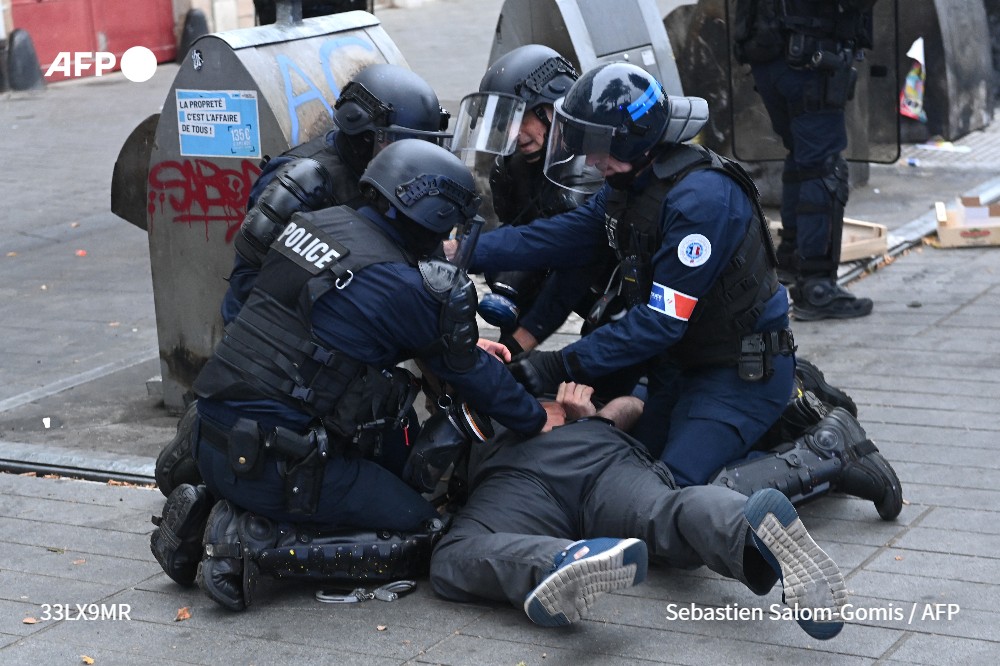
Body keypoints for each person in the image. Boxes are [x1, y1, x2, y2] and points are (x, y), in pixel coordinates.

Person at [445, 62, 900, 519]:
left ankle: (830, 451)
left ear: (630, 139)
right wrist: (458, 250)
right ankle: (769, 425)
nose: (590, 158)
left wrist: (557, 364)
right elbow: (555, 238)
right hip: (680, 366)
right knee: (630, 468)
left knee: (673, 499)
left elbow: (659, 322)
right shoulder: (629, 182)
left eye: (598, 145)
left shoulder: (701, 202)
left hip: (738, 373)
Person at [150, 140, 548, 611]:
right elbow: (472, 374)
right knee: (421, 528)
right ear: (432, 214)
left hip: (215, 432)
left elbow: (335, 324)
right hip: (271, 465)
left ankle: (210, 504)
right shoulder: (405, 286)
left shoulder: (317, 225)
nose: (450, 238)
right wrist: (537, 419)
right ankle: (245, 537)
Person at [153, 63, 453, 497]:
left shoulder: (391, 180)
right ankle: (217, 451)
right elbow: (254, 290)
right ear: (363, 133)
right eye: (397, 144)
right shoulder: (303, 184)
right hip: (286, 347)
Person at [431, 382, 849, 640]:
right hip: (577, 460)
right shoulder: (525, 381)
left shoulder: (519, 387)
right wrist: (598, 419)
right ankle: (746, 526)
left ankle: (562, 561)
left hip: (531, 474)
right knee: (667, 511)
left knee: (454, 555)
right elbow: (631, 404)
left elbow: (632, 404)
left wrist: (590, 416)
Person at [451, 45, 619, 359]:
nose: (512, 134)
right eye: (504, 123)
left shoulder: (597, 170)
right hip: (559, 288)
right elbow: (521, 244)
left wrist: (524, 345)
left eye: (520, 117)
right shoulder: (513, 170)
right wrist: (507, 351)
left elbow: (571, 277)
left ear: (554, 106)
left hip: (626, 297)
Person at [733, 0, 878, 320]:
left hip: (770, 58)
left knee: (802, 160)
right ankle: (817, 286)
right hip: (808, 59)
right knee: (823, 167)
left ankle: (792, 260)